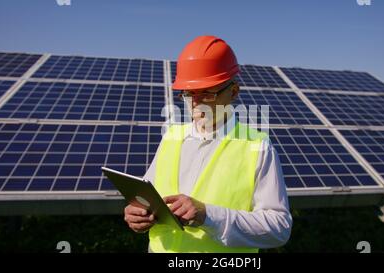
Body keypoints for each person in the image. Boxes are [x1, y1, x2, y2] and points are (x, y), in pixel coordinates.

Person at [124, 35, 292, 253]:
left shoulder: (257, 146)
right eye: (189, 93)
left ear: (233, 92)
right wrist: (136, 214)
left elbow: (279, 229)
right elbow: (146, 199)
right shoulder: (171, 137)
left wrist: (207, 215)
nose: (195, 103)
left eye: (207, 93)